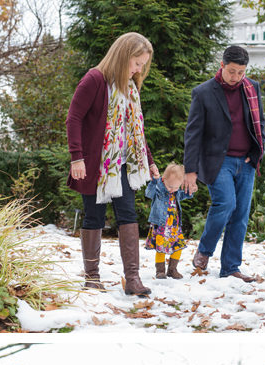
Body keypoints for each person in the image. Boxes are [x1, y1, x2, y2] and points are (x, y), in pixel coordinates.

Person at [67, 31, 158, 295]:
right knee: (94, 216)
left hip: (125, 165)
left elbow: (135, 130)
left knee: (128, 214)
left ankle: (133, 279)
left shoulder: (129, 87)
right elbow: (73, 118)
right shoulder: (95, 79)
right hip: (96, 165)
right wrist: (77, 157)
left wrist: (149, 161)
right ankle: (92, 277)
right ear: (123, 56)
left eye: (143, 64)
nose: (139, 69)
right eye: (137, 63)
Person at [183, 44, 265, 283]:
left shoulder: (252, 88)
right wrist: (190, 170)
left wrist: (256, 153)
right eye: (232, 71)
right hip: (218, 162)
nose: (236, 77)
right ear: (222, 66)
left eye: (241, 72)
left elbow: (260, 124)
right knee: (226, 204)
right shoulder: (204, 92)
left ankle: (231, 267)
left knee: (240, 214)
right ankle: (205, 251)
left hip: (246, 162)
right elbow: (193, 134)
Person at [145, 163, 192, 279]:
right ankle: (160, 271)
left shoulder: (176, 192)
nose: (173, 190)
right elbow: (148, 193)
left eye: (176, 187)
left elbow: (184, 195)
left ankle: (172, 269)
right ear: (164, 179)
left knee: (178, 247)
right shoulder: (158, 189)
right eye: (170, 186)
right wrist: (154, 181)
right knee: (161, 248)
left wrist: (191, 190)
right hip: (161, 226)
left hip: (174, 226)